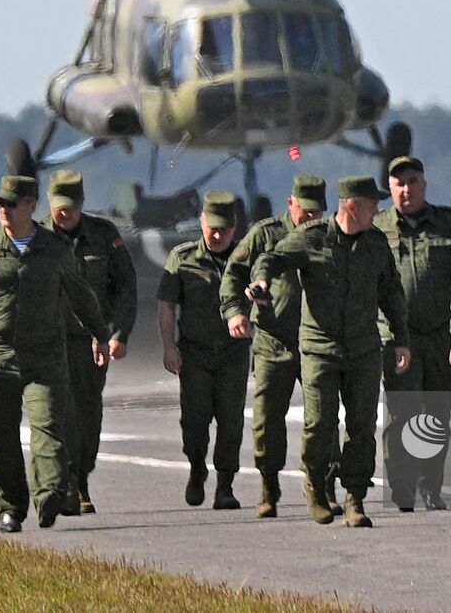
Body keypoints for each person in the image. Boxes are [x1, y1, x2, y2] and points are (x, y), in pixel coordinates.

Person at [245, 176, 411, 528]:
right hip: (319, 348)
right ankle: (316, 485)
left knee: (362, 426)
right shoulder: (313, 237)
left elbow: (391, 292)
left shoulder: (376, 243)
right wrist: (261, 281)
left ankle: (354, 498)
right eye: (371, 205)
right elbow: (272, 258)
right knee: (320, 424)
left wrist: (401, 338)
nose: (377, 211)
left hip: (364, 347)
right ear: (352, 206)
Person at [0, 175, 110, 534]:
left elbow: (81, 295)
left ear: (31, 206)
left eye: (11, 203)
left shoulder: (55, 249)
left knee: (49, 427)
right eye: (0, 204)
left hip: (46, 356)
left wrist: (100, 334)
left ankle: (50, 495)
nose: (3, 210)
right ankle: (10, 507)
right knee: (3, 435)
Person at [219, 174, 337, 519]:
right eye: (305, 211)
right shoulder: (266, 234)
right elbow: (233, 273)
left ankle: (324, 484)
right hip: (274, 340)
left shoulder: (330, 235)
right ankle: (269, 487)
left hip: (317, 341)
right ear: (291, 204)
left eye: (318, 212)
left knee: (323, 418)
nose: (311, 218)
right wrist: (235, 313)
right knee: (267, 420)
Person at [373, 156, 451, 512]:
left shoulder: (450, 223)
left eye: (412, 181)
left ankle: (431, 487)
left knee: (435, 416)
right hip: (397, 337)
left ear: (424, 185)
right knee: (401, 415)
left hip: (438, 336)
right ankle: (401, 486)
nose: (406, 189)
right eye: (398, 183)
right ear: (390, 187)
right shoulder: (377, 226)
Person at [41, 169, 137, 516]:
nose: (64, 213)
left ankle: (80, 478)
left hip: (91, 343)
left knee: (87, 414)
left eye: (71, 206)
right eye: (58, 206)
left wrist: (118, 333)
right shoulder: (34, 238)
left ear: (81, 204)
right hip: (49, 342)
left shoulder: (103, 234)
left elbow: (125, 285)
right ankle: (63, 483)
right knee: (53, 412)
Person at [158, 190, 251, 510]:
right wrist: (170, 347)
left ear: (234, 227)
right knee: (195, 421)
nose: (217, 233)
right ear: (202, 222)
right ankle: (197, 467)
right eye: (212, 226)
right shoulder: (182, 258)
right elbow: (167, 305)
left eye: (224, 228)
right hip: (194, 353)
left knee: (231, 421)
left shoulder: (245, 259)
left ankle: (225, 485)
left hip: (233, 353)